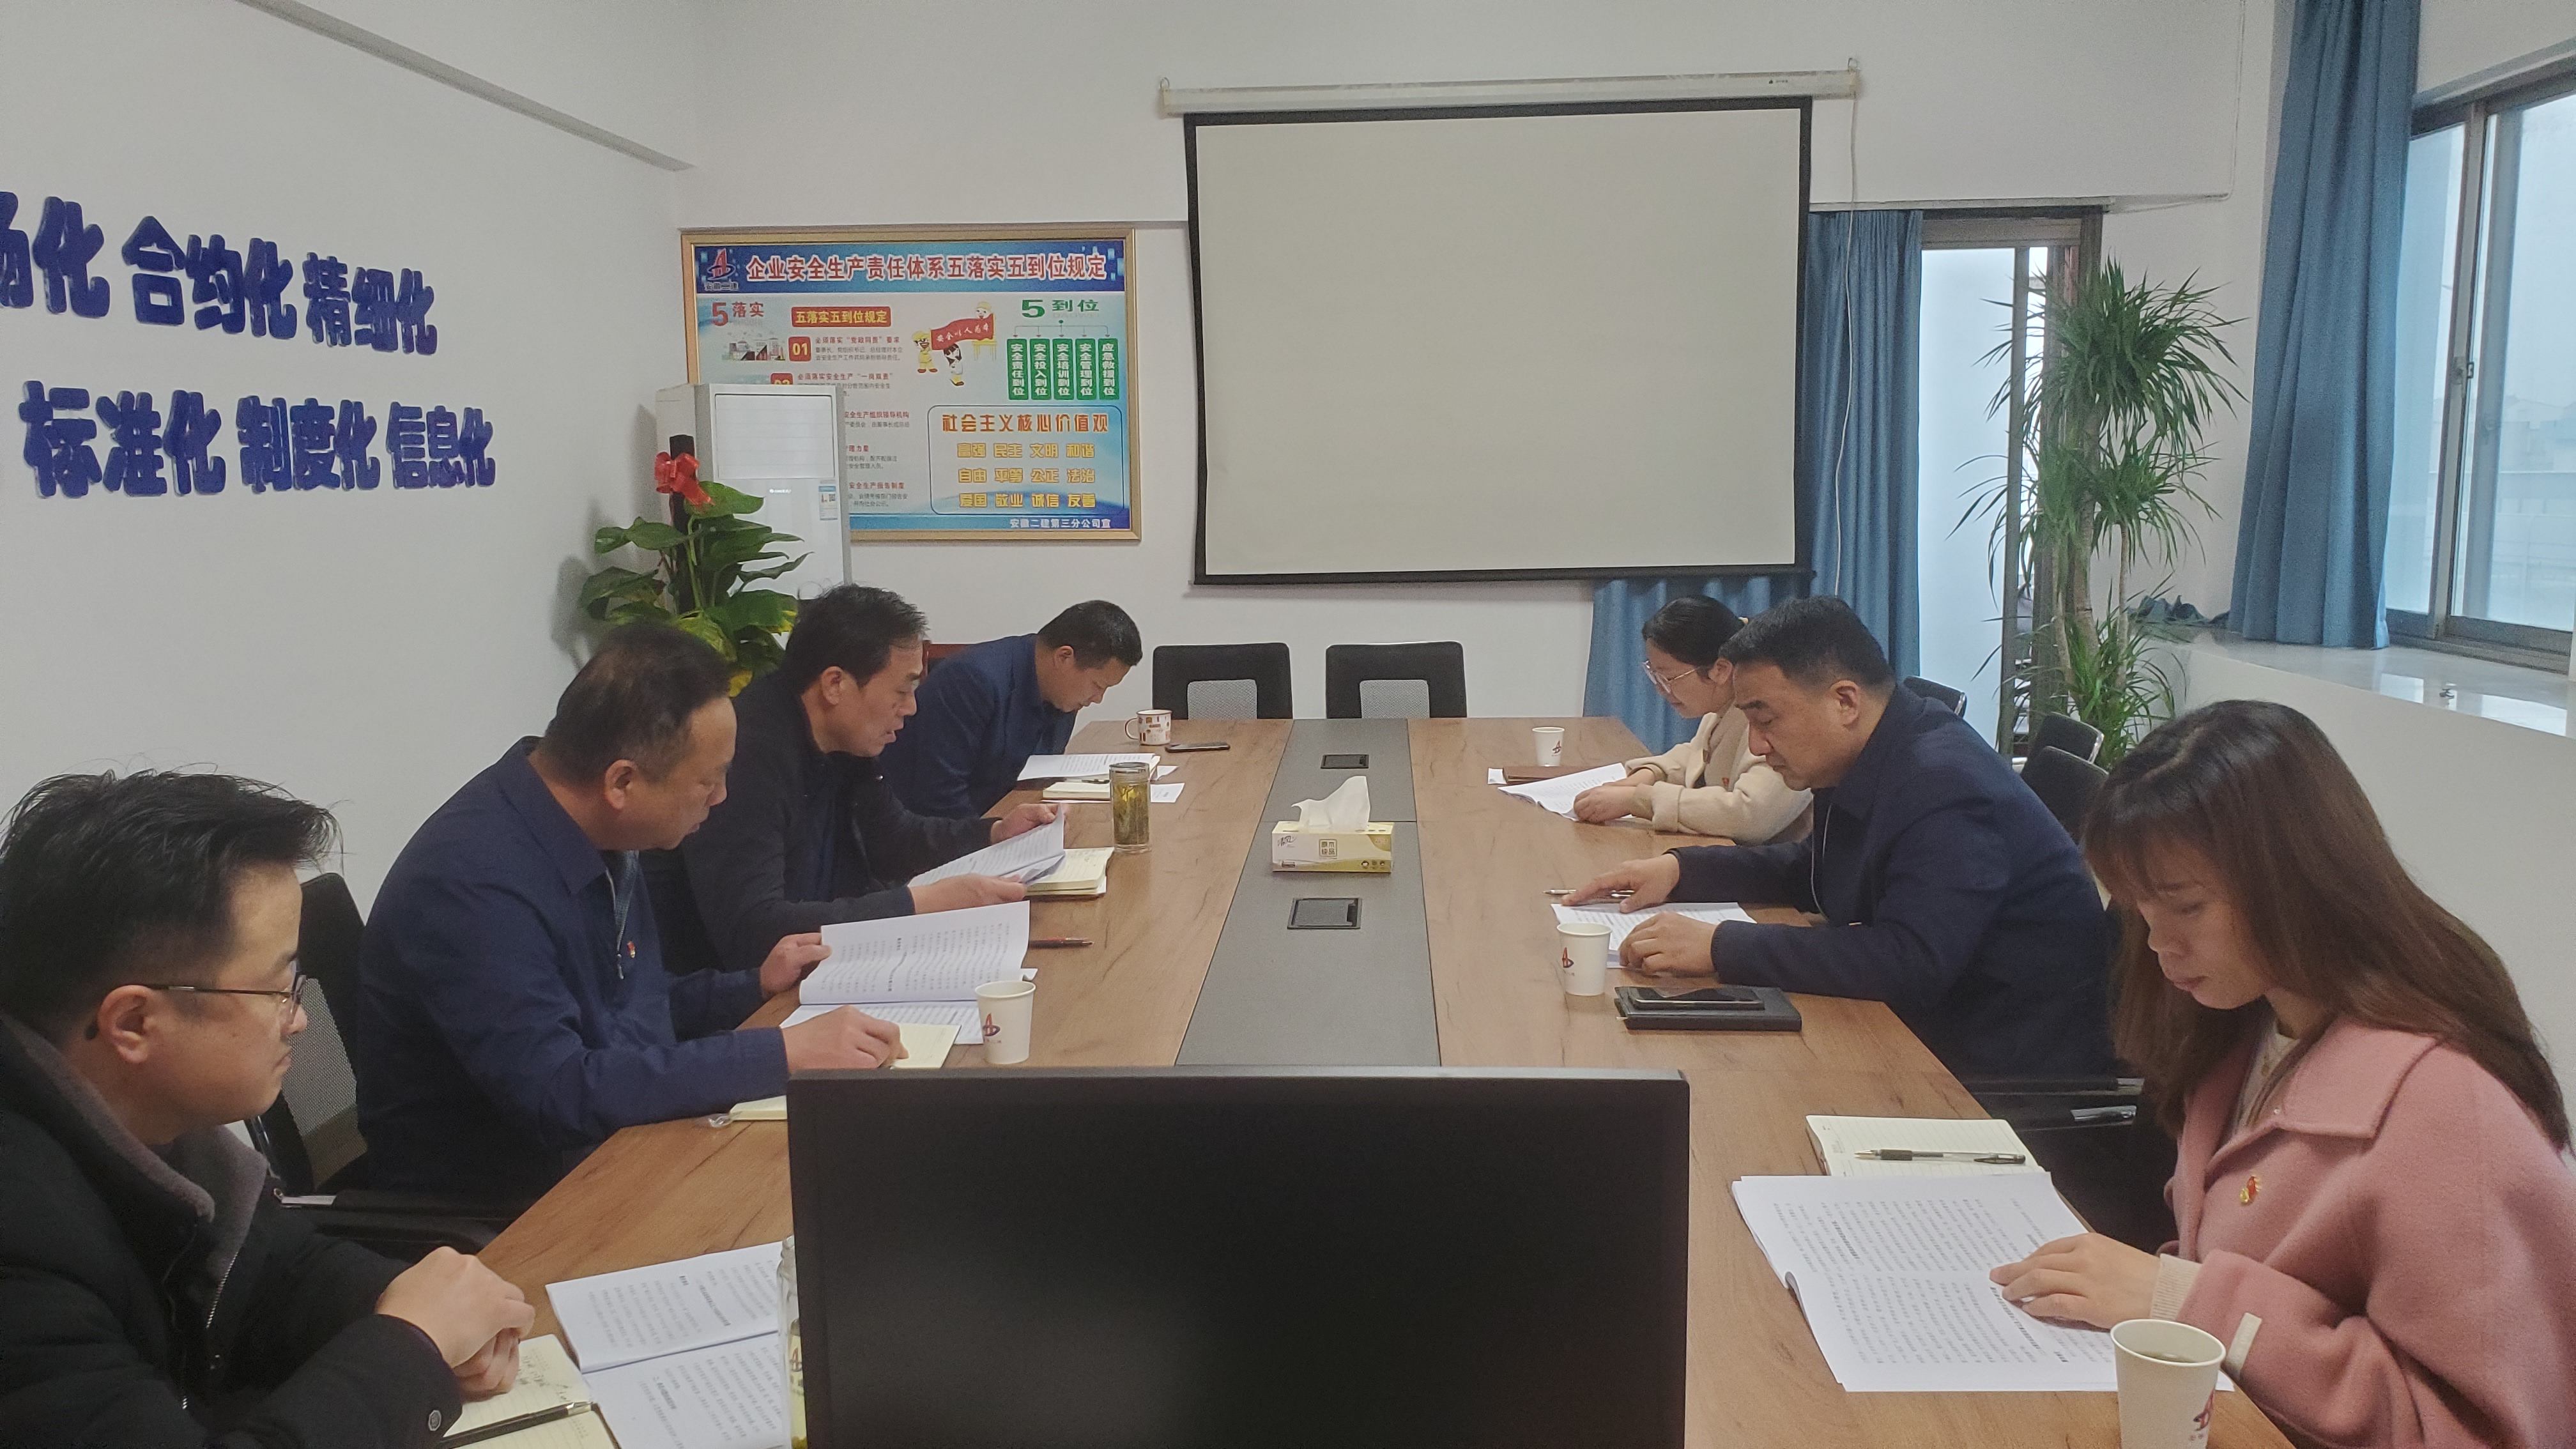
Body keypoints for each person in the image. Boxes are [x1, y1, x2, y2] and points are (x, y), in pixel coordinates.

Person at [1988, 701, 2576, 1448]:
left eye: (2186, 908)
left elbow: (2470, 1428)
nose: (2160, 945)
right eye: (2140, 911)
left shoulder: (2449, 1109)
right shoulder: (2247, 1025)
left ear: (2294, 880)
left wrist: (2186, 1300)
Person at [0, 770, 537, 1446]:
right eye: (279, 990)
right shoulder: (22, 1243)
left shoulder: (150, 1121)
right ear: (134, 1022)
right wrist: (410, 1349)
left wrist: (418, 1310)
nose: (300, 1020)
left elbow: (273, 1271)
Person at [348, 624, 905, 1202]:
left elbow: (624, 1007)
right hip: (509, 1209)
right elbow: (558, 1093)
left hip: (615, 1152)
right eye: (708, 780)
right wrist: (783, 1053)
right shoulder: (472, 885)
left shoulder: (600, 830)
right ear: (622, 781)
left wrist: (753, 986)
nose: (720, 798)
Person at [1567, 596, 2112, 1078]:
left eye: (1766, 720)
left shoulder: (1945, 784)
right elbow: (1818, 868)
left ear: (1845, 702)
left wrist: (1721, 946)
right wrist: (1682, 870)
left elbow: (1909, 961)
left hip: (1991, 1070)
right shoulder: (1871, 752)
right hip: (1924, 1030)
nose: (1756, 746)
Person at [652, 585, 1061, 976]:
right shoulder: (745, 754)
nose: (912, 708)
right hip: (750, 996)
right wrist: (919, 903)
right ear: (835, 684)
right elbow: (754, 929)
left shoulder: (846, 740)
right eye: (901, 691)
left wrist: (993, 833)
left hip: (832, 963)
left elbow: (893, 841)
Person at [1570, 595, 1809, 841]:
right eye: (1655, 675)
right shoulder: (1726, 699)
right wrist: (1650, 774)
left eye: (1669, 678)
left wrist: (1638, 801)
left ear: (1720, 670)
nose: (1661, 689)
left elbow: (1751, 814)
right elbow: (1699, 753)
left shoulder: (1770, 711)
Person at [879, 599, 1142, 818]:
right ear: (1064, 657)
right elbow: (939, 799)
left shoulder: (1060, 695)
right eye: (1098, 685)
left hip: (1001, 825)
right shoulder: (973, 681)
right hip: (932, 838)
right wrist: (994, 839)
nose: (1098, 699)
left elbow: (1037, 777)